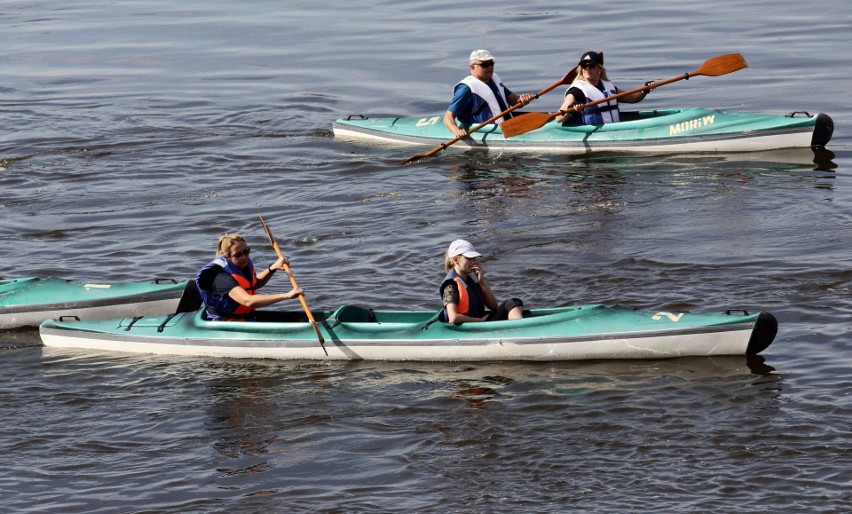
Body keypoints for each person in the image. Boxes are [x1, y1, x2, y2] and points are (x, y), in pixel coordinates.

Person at [195, 233, 303, 321]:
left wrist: (273, 268)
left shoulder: (242, 267)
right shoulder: (222, 278)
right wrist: (286, 295)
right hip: (227, 323)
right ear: (227, 256)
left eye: (246, 252)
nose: (244, 257)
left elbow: (254, 284)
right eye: (238, 255)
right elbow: (248, 301)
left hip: (247, 319)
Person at [442, 49, 534, 138]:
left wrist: (521, 99)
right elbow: (448, 117)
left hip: (509, 126)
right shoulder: (466, 88)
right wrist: (457, 131)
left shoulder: (495, 79)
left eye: (491, 63)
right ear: (472, 67)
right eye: (485, 64)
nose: (490, 67)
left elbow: (513, 100)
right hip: (489, 131)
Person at [555, 51, 655, 125]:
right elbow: (558, 117)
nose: (587, 69)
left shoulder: (608, 87)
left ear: (599, 69)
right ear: (581, 69)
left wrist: (645, 90)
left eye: (591, 66)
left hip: (613, 128)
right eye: (584, 66)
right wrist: (570, 108)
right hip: (590, 130)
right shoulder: (576, 91)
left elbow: (632, 98)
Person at [439, 239, 524, 323]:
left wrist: (482, 280)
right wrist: (478, 320)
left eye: (474, 259)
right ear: (456, 260)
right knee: (511, 304)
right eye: (469, 259)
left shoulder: (471, 279)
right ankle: (519, 329)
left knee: (516, 302)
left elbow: (494, 306)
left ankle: (516, 326)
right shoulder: (450, 285)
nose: (473, 262)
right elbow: (453, 318)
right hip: (470, 326)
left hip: (479, 320)